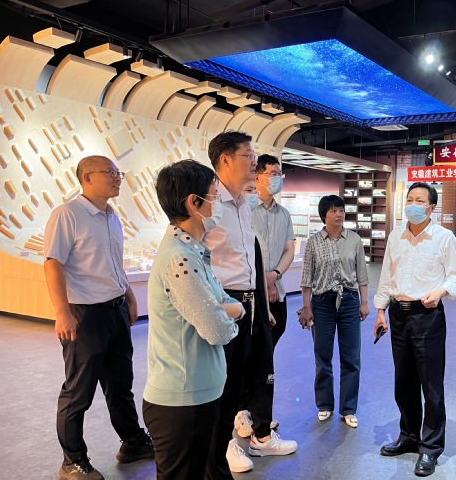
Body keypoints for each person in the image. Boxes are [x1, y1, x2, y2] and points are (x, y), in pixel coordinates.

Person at [44, 155, 153, 480]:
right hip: (84, 315)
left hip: (115, 311)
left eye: (119, 173)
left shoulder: (111, 216)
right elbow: (53, 263)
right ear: (87, 177)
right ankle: (73, 461)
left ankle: (133, 442)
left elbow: (114, 263)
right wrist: (62, 313)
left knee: (120, 385)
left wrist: (129, 296)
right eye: (111, 173)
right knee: (78, 392)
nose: (118, 178)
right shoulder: (67, 214)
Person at [143, 160, 248, 479]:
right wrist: (228, 312)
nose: (219, 204)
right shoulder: (180, 258)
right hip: (181, 401)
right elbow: (218, 330)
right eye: (214, 196)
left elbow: (226, 303)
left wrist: (226, 309)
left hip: (198, 394)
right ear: (194, 202)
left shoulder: (193, 251)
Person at [204, 132, 297, 480]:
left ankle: (240, 440)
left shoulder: (245, 205)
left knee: (245, 377)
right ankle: (219, 450)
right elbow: (199, 258)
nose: (254, 162)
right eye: (248, 155)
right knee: (220, 381)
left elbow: (250, 261)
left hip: (250, 302)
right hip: (221, 302)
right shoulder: (209, 203)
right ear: (226, 159)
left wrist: (260, 305)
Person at [373, 182, 456, 477]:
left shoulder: (444, 237)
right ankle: (409, 437)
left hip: (427, 315)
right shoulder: (395, 236)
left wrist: (440, 292)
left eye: (420, 201)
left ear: (431, 208)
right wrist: (380, 310)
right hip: (398, 314)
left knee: (431, 383)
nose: (413, 205)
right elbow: (387, 276)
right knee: (404, 381)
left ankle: (430, 447)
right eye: (410, 199)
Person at [299, 195, 370, 428]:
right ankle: (325, 405)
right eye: (333, 211)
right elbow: (306, 279)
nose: (339, 214)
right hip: (322, 303)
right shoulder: (313, 242)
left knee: (351, 357)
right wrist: (307, 308)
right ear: (324, 215)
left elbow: (362, 275)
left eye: (341, 210)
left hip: (349, 301)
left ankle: (348, 409)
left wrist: (364, 302)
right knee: (323, 356)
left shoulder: (354, 239)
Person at [252, 154, 295, 347]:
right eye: (273, 174)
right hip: (254, 291)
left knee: (276, 333)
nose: (278, 178)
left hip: (278, 289)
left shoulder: (284, 214)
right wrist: (266, 282)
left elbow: (289, 250)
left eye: (280, 174)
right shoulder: (247, 210)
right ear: (257, 177)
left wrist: (275, 275)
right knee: (254, 345)